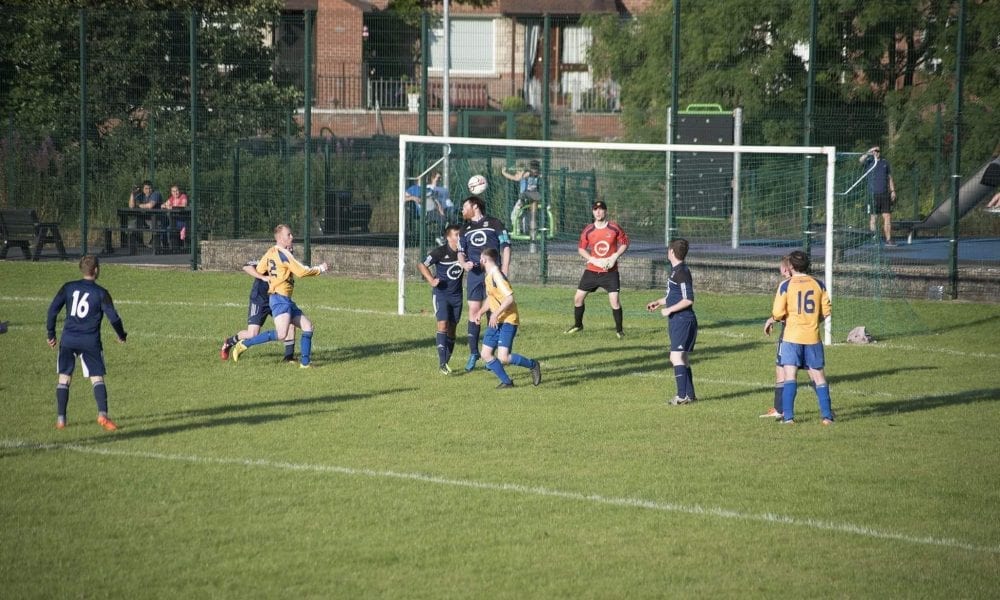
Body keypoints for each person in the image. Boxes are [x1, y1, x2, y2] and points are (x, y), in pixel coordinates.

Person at [46, 255, 127, 431]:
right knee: (97, 377)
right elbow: (113, 317)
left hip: (68, 340)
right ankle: (103, 416)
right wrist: (121, 335)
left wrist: (51, 334)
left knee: (64, 378)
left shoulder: (68, 287)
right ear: (96, 270)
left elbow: (52, 311)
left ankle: (61, 419)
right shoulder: (101, 293)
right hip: (90, 342)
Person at [231, 224, 327, 368]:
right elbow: (301, 271)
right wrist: (320, 269)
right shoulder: (284, 254)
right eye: (289, 235)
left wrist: (274, 275)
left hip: (285, 299)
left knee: (308, 326)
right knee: (282, 334)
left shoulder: (270, 252)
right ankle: (245, 343)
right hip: (279, 299)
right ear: (281, 238)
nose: (292, 237)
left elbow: (260, 268)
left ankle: (305, 364)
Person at [769, 250, 834, 425]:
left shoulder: (786, 285)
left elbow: (777, 312)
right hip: (812, 337)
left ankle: (788, 418)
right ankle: (827, 417)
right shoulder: (819, 284)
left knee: (790, 376)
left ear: (791, 266)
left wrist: (778, 319)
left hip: (792, 337)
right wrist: (813, 320)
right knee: (819, 377)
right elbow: (826, 311)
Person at [471, 248, 542, 388]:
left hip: (508, 319)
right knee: (486, 354)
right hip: (497, 320)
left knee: (504, 357)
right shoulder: (489, 276)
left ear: (484, 260)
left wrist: (495, 314)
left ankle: (533, 365)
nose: (479, 261)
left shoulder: (497, 275)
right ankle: (507, 382)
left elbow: (509, 298)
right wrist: (480, 312)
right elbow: (491, 298)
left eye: (480, 259)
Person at [457, 195, 511, 372]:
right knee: (473, 311)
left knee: (493, 311)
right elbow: (460, 252)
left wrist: (504, 268)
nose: (462, 210)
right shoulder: (465, 229)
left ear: (475, 206)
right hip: (474, 275)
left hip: (493, 273)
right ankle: (474, 353)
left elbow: (506, 246)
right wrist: (464, 264)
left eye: (465, 206)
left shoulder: (494, 223)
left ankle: (490, 355)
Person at [565, 200, 630, 338]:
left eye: (601, 209)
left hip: (610, 272)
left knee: (615, 301)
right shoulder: (589, 229)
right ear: (592, 212)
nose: (598, 212)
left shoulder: (614, 228)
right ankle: (578, 325)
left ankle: (619, 331)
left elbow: (624, 243)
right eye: (595, 209)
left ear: (606, 211)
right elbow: (581, 249)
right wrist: (592, 259)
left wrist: (614, 257)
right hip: (592, 270)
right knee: (578, 298)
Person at [645, 239, 698, 405]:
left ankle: (681, 396)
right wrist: (659, 302)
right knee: (683, 358)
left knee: (675, 357)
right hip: (679, 320)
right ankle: (690, 395)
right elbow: (673, 296)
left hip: (683, 320)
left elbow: (688, 299)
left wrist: (669, 310)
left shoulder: (682, 272)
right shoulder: (676, 271)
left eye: (669, 250)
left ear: (672, 252)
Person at [220, 259, 296, 362]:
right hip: (260, 300)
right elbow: (246, 266)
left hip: (277, 299)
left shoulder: (287, 263)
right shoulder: (268, 260)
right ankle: (229, 342)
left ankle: (288, 358)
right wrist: (262, 277)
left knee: (290, 324)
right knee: (252, 334)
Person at [417, 224, 464, 374]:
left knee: (452, 330)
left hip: (457, 296)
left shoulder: (464, 252)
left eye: (460, 234)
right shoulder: (440, 252)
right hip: (441, 294)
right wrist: (431, 280)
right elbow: (422, 265)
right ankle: (442, 362)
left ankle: (446, 360)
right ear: (449, 237)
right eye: (456, 235)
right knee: (442, 324)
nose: (459, 237)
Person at [761, 256, 793, 419]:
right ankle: (827, 410)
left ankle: (780, 409)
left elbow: (780, 312)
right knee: (814, 373)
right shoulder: (813, 283)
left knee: (782, 371)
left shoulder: (786, 285)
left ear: (786, 269)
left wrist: (771, 319)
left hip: (789, 334)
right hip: (810, 334)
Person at [859, 146, 897, 246]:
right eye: (874, 151)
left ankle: (888, 240)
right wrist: (868, 151)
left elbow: (889, 178)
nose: (876, 152)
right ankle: (874, 239)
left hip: (884, 194)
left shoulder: (885, 163)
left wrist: (892, 191)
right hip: (873, 195)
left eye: (877, 151)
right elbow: (860, 160)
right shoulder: (868, 162)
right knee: (873, 218)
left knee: (887, 216)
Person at [501, 159, 542, 240]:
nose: (535, 170)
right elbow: (516, 177)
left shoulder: (529, 174)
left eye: (535, 168)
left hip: (528, 198)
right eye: (534, 168)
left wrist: (505, 172)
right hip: (530, 197)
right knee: (523, 215)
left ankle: (519, 231)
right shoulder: (534, 174)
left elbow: (516, 178)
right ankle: (523, 231)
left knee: (516, 215)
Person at [126, 180, 163, 248]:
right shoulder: (140, 195)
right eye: (146, 188)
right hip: (143, 219)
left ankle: (155, 243)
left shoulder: (156, 194)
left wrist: (138, 205)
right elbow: (131, 206)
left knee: (154, 226)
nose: (148, 190)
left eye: (150, 188)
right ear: (142, 189)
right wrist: (132, 194)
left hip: (156, 219)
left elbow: (150, 206)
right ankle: (139, 244)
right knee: (132, 226)